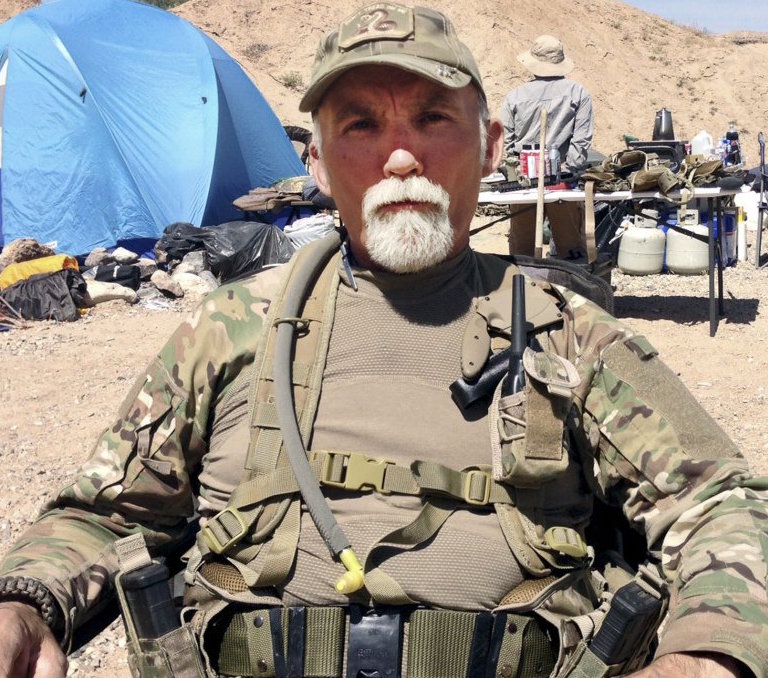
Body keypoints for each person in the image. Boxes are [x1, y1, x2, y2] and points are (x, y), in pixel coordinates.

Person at [0, 4, 765, 677]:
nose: (400, 156)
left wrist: (707, 655)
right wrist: (24, 606)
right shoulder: (232, 328)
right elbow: (105, 515)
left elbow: (723, 503)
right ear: (319, 164)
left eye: (432, 118)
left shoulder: (570, 332)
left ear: (492, 144)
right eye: (361, 124)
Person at [500, 34, 594, 258]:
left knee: (523, 252)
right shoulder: (578, 93)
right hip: (561, 179)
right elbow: (580, 141)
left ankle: (523, 290)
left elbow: (507, 142)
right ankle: (570, 290)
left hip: (524, 182)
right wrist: (570, 169)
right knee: (570, 250)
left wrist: (517, 168)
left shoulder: (514, 96)